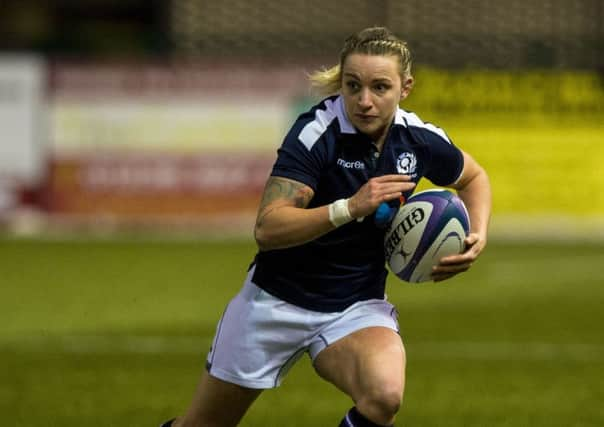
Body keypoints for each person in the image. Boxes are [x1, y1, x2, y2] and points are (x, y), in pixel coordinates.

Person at [161, 26, 491, 427]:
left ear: (405, 88)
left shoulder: (418, 140)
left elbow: (473, 177)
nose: (364, 101)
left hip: (355, 306)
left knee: (383, 396)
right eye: (353, 86)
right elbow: (268, 228)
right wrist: (350, 207)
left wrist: (477, 234)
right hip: (275, 302)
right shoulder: (316, 133)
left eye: (380, 87)